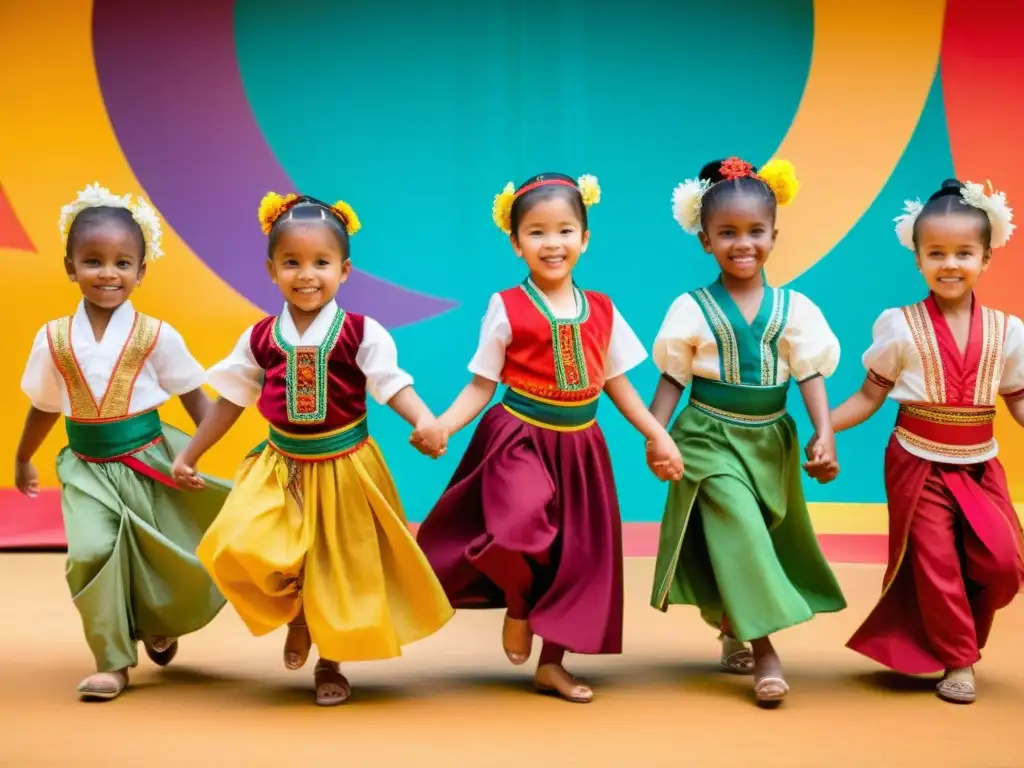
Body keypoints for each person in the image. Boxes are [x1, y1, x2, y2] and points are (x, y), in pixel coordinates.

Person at [170, 193, 453, 706]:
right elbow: (230, 401)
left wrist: (426, 420)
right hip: (280, 467)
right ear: (271, 269)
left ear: (344, 271)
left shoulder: (361, 333)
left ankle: (330, 662)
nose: (307, 275)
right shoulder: (260, 338)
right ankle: (297, 613)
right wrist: (190, 452)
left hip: (346, 467)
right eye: (292, 263)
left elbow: (391, 385)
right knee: (240, 542)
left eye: (321, 263)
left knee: (337, 567)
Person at [412, 173, 683, 704]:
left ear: (585, 238)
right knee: (519, 528)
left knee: (575, 556)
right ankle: (518, 606)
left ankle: (551, 663)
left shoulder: (602, 309)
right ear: (516, 243)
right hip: (518, 438)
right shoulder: (506, 305)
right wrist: (443, 424)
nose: (552, 243)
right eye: (536, 232)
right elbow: (481, 385)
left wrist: (658, 437)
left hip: (582, 446)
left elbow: (618, 384)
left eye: (564, 230)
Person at [16, 183, 230, 700]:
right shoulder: (52, 338)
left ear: (140, 271)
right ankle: (112, 661)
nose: (108, 273)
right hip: (87, 466)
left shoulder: (157, 335)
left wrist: (192, 455)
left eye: (122, 263)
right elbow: (45, 403)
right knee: (91, 551)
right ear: (70, 267)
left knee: (165, 555)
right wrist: (23, 456)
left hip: (151, 460)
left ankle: (159, 621)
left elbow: (194, 397)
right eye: (93, 261)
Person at [648, 157, 847, 705]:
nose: (743, 243)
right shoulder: (690, 309)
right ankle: (765, 650)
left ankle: (735, 623)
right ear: (705, 241)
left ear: (774, 236)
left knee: (755, 537)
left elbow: (810, 374)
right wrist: (656, 434)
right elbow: (671, 377)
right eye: (727, 233)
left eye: (755, 231)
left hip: (770, 442)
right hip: (706, 439)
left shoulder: (795, 308)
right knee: (738, 527)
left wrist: (823, 433)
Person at [826, 178, 1024, 704]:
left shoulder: (1009, 332)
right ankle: (959, 661)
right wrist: (825, 430)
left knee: (1004, 566)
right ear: (917, 259)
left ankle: (953, 638)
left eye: (964, 252)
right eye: (936, 252)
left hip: (981, 466)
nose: (950, 264)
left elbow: (1018, 402)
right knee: (935, 564)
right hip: (918, 463)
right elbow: (869, 398)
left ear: (986, 258)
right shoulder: (900, 328)